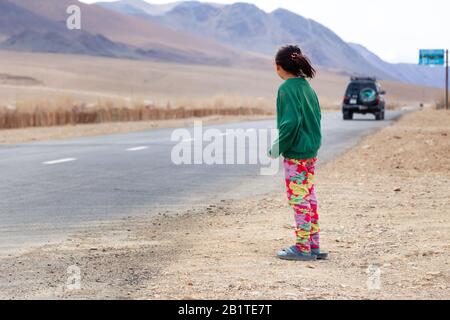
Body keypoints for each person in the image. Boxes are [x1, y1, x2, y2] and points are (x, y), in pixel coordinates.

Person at [268, 45, 328, 261]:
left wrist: (276, 148)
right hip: (311, 150)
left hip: (296, 154)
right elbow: (317, 117)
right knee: (308, 195)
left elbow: (290, 123)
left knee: (298, 198)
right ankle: (313, 245)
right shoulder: (306, 87)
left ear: (278, 67)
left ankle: (302, 248)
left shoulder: (287, 89)